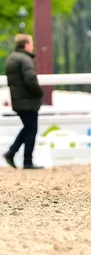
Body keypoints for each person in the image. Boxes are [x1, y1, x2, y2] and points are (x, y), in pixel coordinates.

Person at [3, 34, 44, 169]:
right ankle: (26, 160)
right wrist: (39, 92)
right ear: (26, 45)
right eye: (31, 43)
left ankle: (12, 153)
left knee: (28, 128)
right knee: (31, 129)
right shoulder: (25, 59)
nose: (32, 46)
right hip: (28, 101)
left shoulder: (12, 58)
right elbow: (30, 79)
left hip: (19, 100)